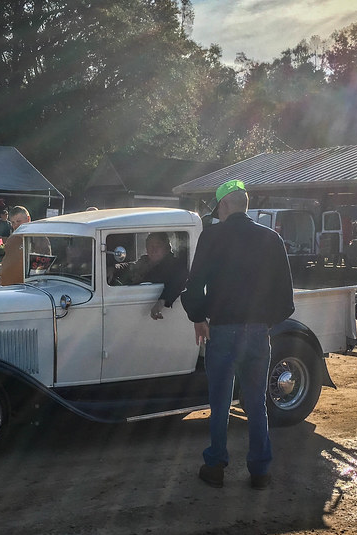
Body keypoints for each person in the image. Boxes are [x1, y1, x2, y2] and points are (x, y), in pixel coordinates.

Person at [182, 179, 295, 490]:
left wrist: (198, 317)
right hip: (258, 332)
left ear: (225, 206)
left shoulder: (212, 236)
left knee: (219, 402)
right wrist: (264, 323)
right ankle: (260, 471)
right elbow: (286, 299)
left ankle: (216, 466)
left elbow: (194, 286)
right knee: (256, 402)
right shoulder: (271, 239)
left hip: (222, 329)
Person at [111, 232, 187, 320]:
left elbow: (177, 281)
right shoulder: (145, 261)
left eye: (158, 245)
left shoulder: (175, 265)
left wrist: (161, 302)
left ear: (166, 248)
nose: (153, 249)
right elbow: (130, 267)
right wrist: (114, 268)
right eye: (150, 246)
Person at [0, 206, 33, 285]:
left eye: (18, 221)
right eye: (13, 222)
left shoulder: (39, 238)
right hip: (10, 287)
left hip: (31, 287)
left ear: (28, 219)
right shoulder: (12, 239)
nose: (16, 226)